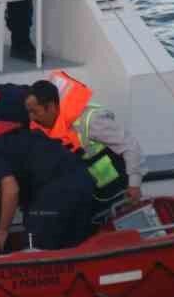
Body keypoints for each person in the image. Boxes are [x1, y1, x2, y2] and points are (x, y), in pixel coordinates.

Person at [0, 102, 94, 253]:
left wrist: (2, 230)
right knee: (73, 248)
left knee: (33, 246)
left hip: (57, 195)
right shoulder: (15, 134)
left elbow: (11, 189)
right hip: (83, 184)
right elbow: (6, 184)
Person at [24, 75, 144, 221]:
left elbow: (130, 146)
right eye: (29, 112)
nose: (31, 118)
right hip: (87, 192)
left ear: (51, 107)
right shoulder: (44, 128)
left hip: (115, 190)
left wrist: (134, 185)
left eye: (35, 112)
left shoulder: (91, 121)